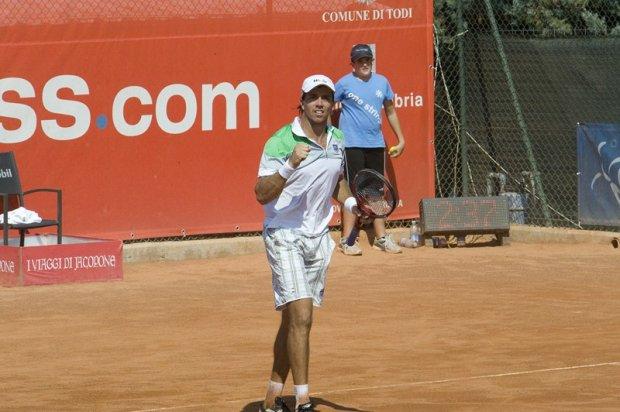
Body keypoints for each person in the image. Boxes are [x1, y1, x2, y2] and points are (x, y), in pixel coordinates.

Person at [254, 74, 358, 412]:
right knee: (301, 316)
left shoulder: (338, 139)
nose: (320, 103)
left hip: (317, 237)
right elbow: (260, 194)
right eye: (313, 97)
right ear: (302, 101)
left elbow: (336, 184)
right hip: (283, 233)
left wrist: (352, 203)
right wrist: (288, 167)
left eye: (326, 97)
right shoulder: (281, 141)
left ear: (332, 103)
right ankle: (303, 400)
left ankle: (272, 398)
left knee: (292, 323)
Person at [334, 43, 406, 255]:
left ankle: (381, 239)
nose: (364, 64)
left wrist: (401, 139)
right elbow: (328, 107)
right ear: (353, 64)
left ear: (371, 62)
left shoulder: (382, 82)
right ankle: (347, 241)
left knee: (376, 191)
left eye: (367, 60)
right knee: (351, 192)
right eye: (360, 61)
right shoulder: (343, 84)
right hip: (351, 145)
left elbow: (391, 111)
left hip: (376, 144)